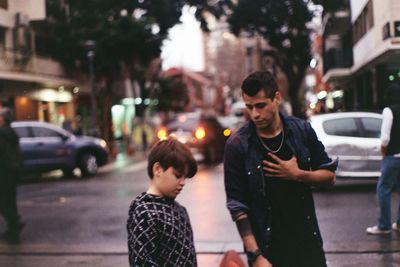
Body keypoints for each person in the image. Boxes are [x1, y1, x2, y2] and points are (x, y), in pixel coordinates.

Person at [223, 71, 338, 267]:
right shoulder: (238, 145)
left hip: (308, 246)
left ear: (276, 98)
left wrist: (297, 174)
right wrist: (255, 255)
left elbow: (329, 176)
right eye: (249, 107)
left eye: (260, 105)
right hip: (268, 252)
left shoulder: (301, 131)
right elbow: (237, 206)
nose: (255, 114)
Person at [127, 137, 198, 266]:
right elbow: (142, 262)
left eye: (185, 177)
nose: (183, 183)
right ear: (157, 169)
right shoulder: (144, 213)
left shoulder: (181, 210)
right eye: (177, 175)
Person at [366, 83, 400, 235]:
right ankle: (399, 224)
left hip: (392, 156)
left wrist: (383, 153)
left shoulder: (389, 110)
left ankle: (384, 225)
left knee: (383, 190)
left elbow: (385, 137)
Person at [0, 107, 25, 243]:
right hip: (13, 170)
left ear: (3, 118)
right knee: (10, 199)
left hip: (3, 171)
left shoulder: (1, 133)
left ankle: (14, 222)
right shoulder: (12, 132)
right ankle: (12, 228)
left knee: (3, 201)